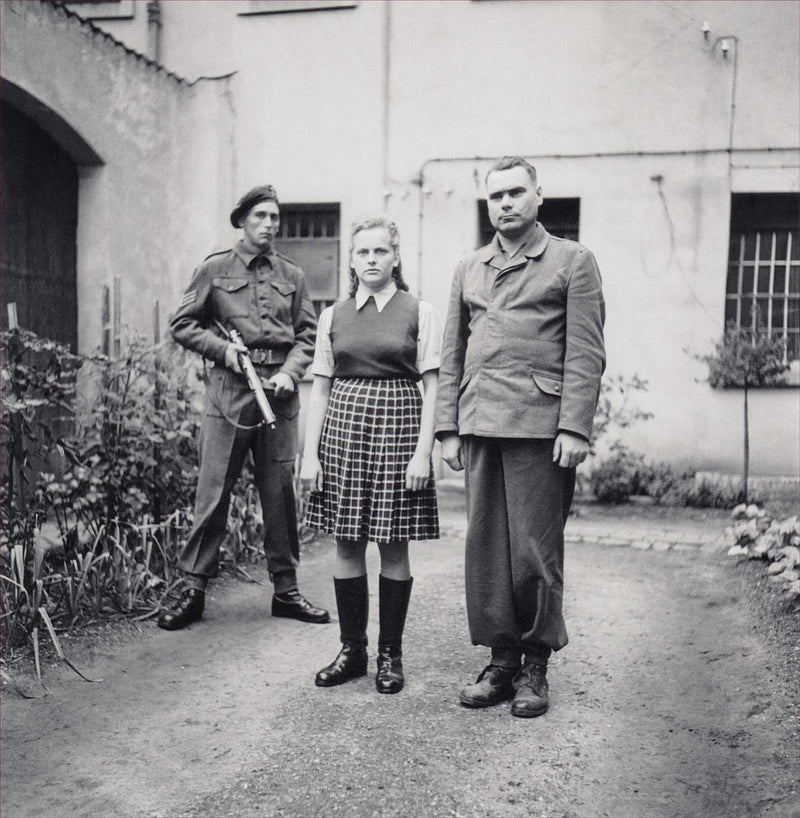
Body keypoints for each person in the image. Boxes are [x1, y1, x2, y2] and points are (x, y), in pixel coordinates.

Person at [435, 156, 605, 717]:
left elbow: (585, 352)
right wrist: (447, 429)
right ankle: (502, 661)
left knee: (534, 550)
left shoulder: (571, 261)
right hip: (480, 422)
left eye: (515, 193)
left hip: (539, 425)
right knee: (486, 549)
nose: (504, 204)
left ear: (538, 196)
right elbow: (452, 353)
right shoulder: (470, 267)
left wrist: (575, 425)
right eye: (495, 196)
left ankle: (535, 665)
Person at [158, 185, 329, 630]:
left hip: (278, 392)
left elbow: (308, 335)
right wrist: (223, 351)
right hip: (230, 391)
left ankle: (287, 591)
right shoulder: (214, 269)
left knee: (279, 495)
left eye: (274, 217)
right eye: (260, 217)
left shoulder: (292, 275)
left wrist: (292, 372)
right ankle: (193, 589)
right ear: (242, 221)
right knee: (213, 493)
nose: (269, 224)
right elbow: (182, 324)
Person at [300, 215, 441, 694]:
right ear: (352, 260)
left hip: (398, 432)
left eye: (381, 251)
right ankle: (352, 651)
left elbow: (433, 385)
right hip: (343, 432)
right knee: (346, 542)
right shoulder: (333, 315)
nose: (372, 260)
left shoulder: (419, 311)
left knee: (393, 544)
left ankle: (390, 656)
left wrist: (424, 452)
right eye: (363, 252)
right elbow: (319, 390)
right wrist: (310, 455)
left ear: (396, 257)